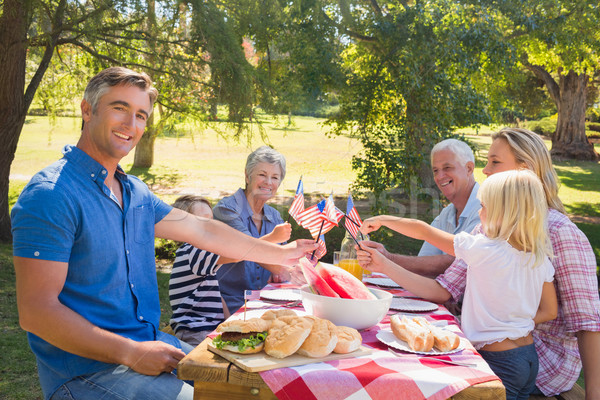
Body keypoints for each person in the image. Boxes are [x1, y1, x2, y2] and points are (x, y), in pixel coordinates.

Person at [11, 67, 316, 400]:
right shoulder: (51, 194)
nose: (131, 124)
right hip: (86, 373)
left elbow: (202, 227)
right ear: (87, 109)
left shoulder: (136, 193)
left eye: (141, 114)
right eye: (119, 107)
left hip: (151, 346)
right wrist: (129, 352)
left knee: (259, 387)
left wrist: (282, 254)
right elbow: (36, 312)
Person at [364, 127, 600, 398]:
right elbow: (445, 289)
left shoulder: (560, 231)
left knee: (419, 375)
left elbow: (588, 323)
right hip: (509, 351)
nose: (485, 170)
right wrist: (385, 264)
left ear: (525, 170)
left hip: (543, 363)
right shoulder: (490, 230)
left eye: (494, 162)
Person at [358, 169, 558, 400]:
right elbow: (549, 311)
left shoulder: (484, 249)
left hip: (498, 360)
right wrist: (511, 322)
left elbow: (424, 230)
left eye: (483, 207)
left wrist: (383, 220)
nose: (480, 213)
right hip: (528, 357)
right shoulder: (539, 257)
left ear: (502, 213)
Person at [362, 138, 481, 277]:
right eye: (435, 170)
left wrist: (388, 258)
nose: (440, 176)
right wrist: (383, 258)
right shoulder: (447, 213)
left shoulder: (485, 209)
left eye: (447, 167)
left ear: (469, 168)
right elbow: (424, 262)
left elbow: (455, 262)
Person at [213, 146, 293, 313]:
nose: (268, 182)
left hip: (266, 303)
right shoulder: (226, 210)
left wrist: (279, 268)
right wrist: (273, 239)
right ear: (247, 175)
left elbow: (281, 263)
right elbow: (245, 249)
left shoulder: (275, 216)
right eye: (262, 175)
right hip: (226, 303)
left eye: (275, 177)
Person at [168, 195, 235, 346]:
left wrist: (229, 322)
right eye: (204, 220)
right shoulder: (192, 250)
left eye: (212, 219)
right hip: (194, 330)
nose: (211, 224)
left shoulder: (200, 253)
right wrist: (270, 240)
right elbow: (235, 255)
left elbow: (215, 293)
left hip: (208, 328)